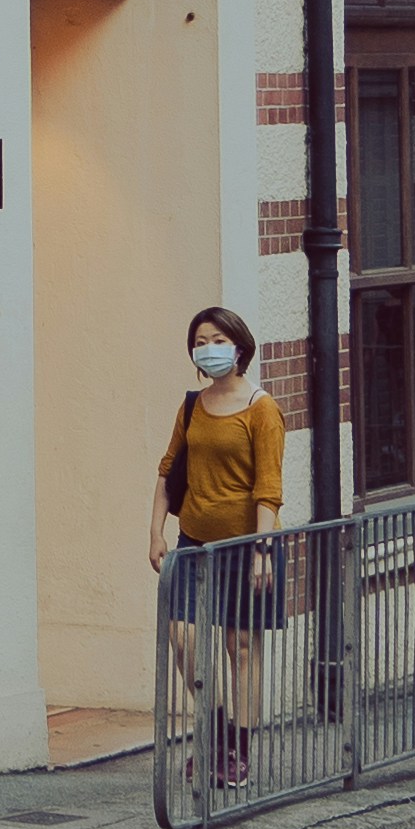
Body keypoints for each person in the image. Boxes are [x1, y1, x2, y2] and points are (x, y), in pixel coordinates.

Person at [150, 301, 287, 784]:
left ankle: (238, 752)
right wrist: (156, 531)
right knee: (183, 635)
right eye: (201, 342)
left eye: (218, 341)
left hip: (247, 548)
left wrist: (262, 550)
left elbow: (268, 488)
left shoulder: (262, 409)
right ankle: (218, 729)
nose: (209, 349)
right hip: (194, 543)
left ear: (240, 347)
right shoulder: (192, 406)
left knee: (240, 646)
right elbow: (169, 470)